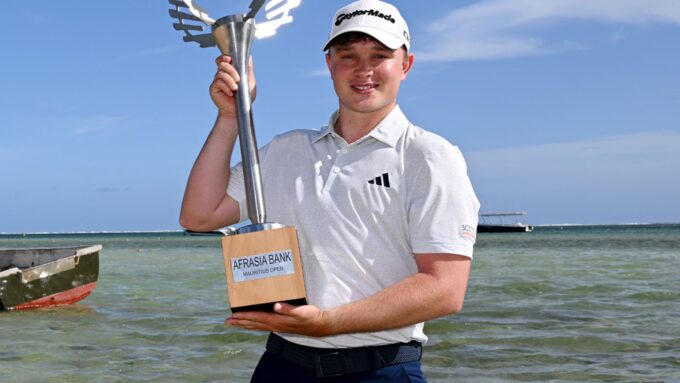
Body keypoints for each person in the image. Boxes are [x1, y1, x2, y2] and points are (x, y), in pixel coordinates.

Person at [180, 0, 480, 381]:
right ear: (329, 64)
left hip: (381, 368)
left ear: (405, 65)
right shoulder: (286, 150)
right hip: (282, 363)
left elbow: (445, 290)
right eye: (348, 55)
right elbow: (199, 215)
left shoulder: (429, 156)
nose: (363, 70)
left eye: (380, 55)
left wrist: (327, 322)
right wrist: (228, 117)